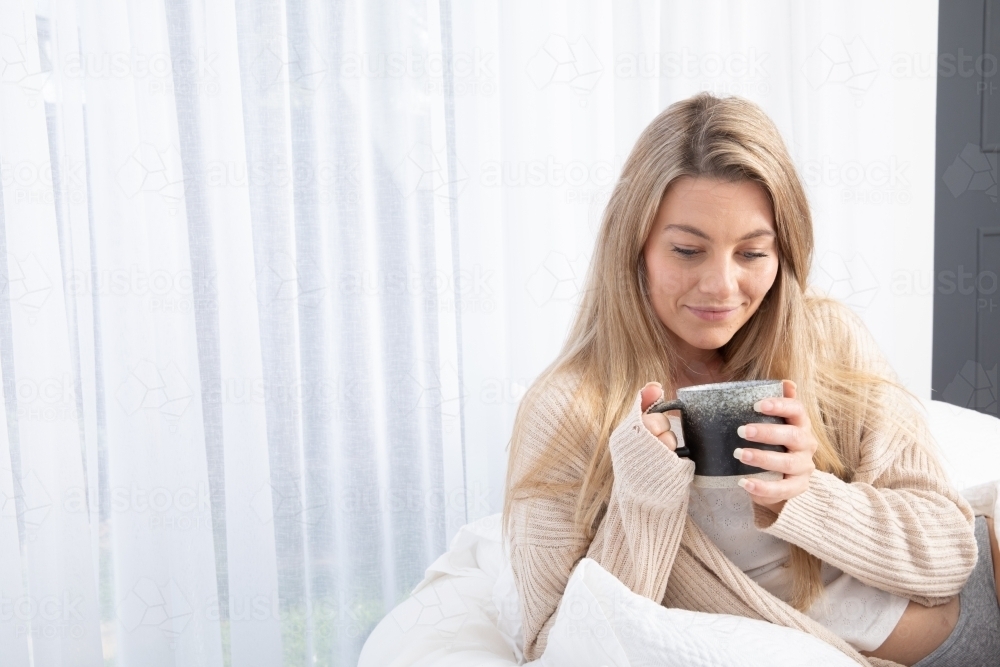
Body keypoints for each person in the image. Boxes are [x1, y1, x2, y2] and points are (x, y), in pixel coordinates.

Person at [501, 92, 1000, 667]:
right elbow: (557, 648)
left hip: (978, 599)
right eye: (688, 250)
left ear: (783, 252)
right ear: (634, 245)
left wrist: (808, 492)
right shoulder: (567, 409)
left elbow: (949, 555)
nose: (721, 285)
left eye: (752, 253)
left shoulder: (827, 337)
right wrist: (642, 496)